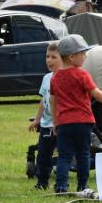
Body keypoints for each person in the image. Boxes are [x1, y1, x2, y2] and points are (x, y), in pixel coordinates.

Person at [49, 34, 102, 195]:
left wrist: (55, 122)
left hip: (64, 123)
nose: (85, 56)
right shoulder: (82, 75)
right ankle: (83, 186)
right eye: (83, 53)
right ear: (72, 56)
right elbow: (96, 93)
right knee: (83, 154)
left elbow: (53, 101)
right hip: (83, 122)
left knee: (64, 156)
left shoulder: (55, 78)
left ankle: (61, 187)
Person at [28, 42, 62, 191]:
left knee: (63, 156)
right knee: (43, 155)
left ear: (63, 58)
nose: (49, 60)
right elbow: (43, 100)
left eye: (54, 57)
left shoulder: (65, 78)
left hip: (61, 125)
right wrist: (37, 119)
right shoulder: (46, 78)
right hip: (46, 125)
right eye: (47, 57)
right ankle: (42, 182)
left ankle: (61, 183)